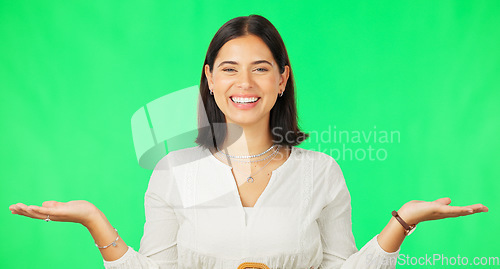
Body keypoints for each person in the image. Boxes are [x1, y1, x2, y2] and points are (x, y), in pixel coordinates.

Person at [9, 14, 488, 269]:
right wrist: (93, 220)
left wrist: (403, 222)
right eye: (229, 69)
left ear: (282, 80)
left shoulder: (320, 172)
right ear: (210, 80)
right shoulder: (174, 170)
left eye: (261, 69)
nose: (245, 83)